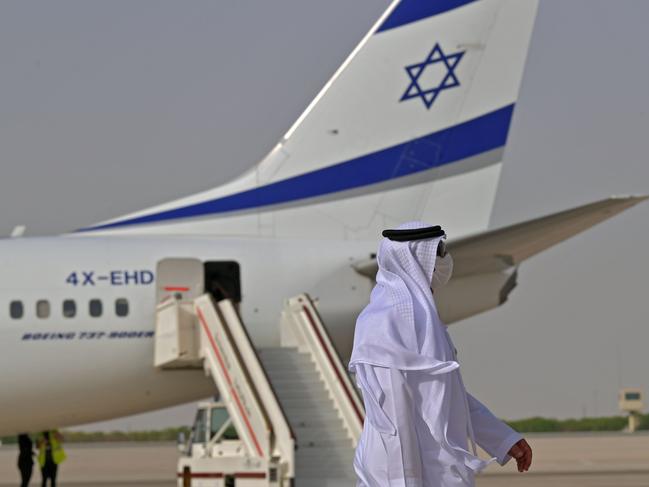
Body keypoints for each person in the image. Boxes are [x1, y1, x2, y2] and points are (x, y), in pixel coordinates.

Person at [349, 221, 532, 487]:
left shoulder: (425, 323)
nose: (445, 260)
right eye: (439, 251)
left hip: (439, 471)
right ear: (415, 259)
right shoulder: (383, 323)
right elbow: (393, 422)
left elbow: (449, 394)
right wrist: (405, 482)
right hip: (397, 476)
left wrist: (502, 439)